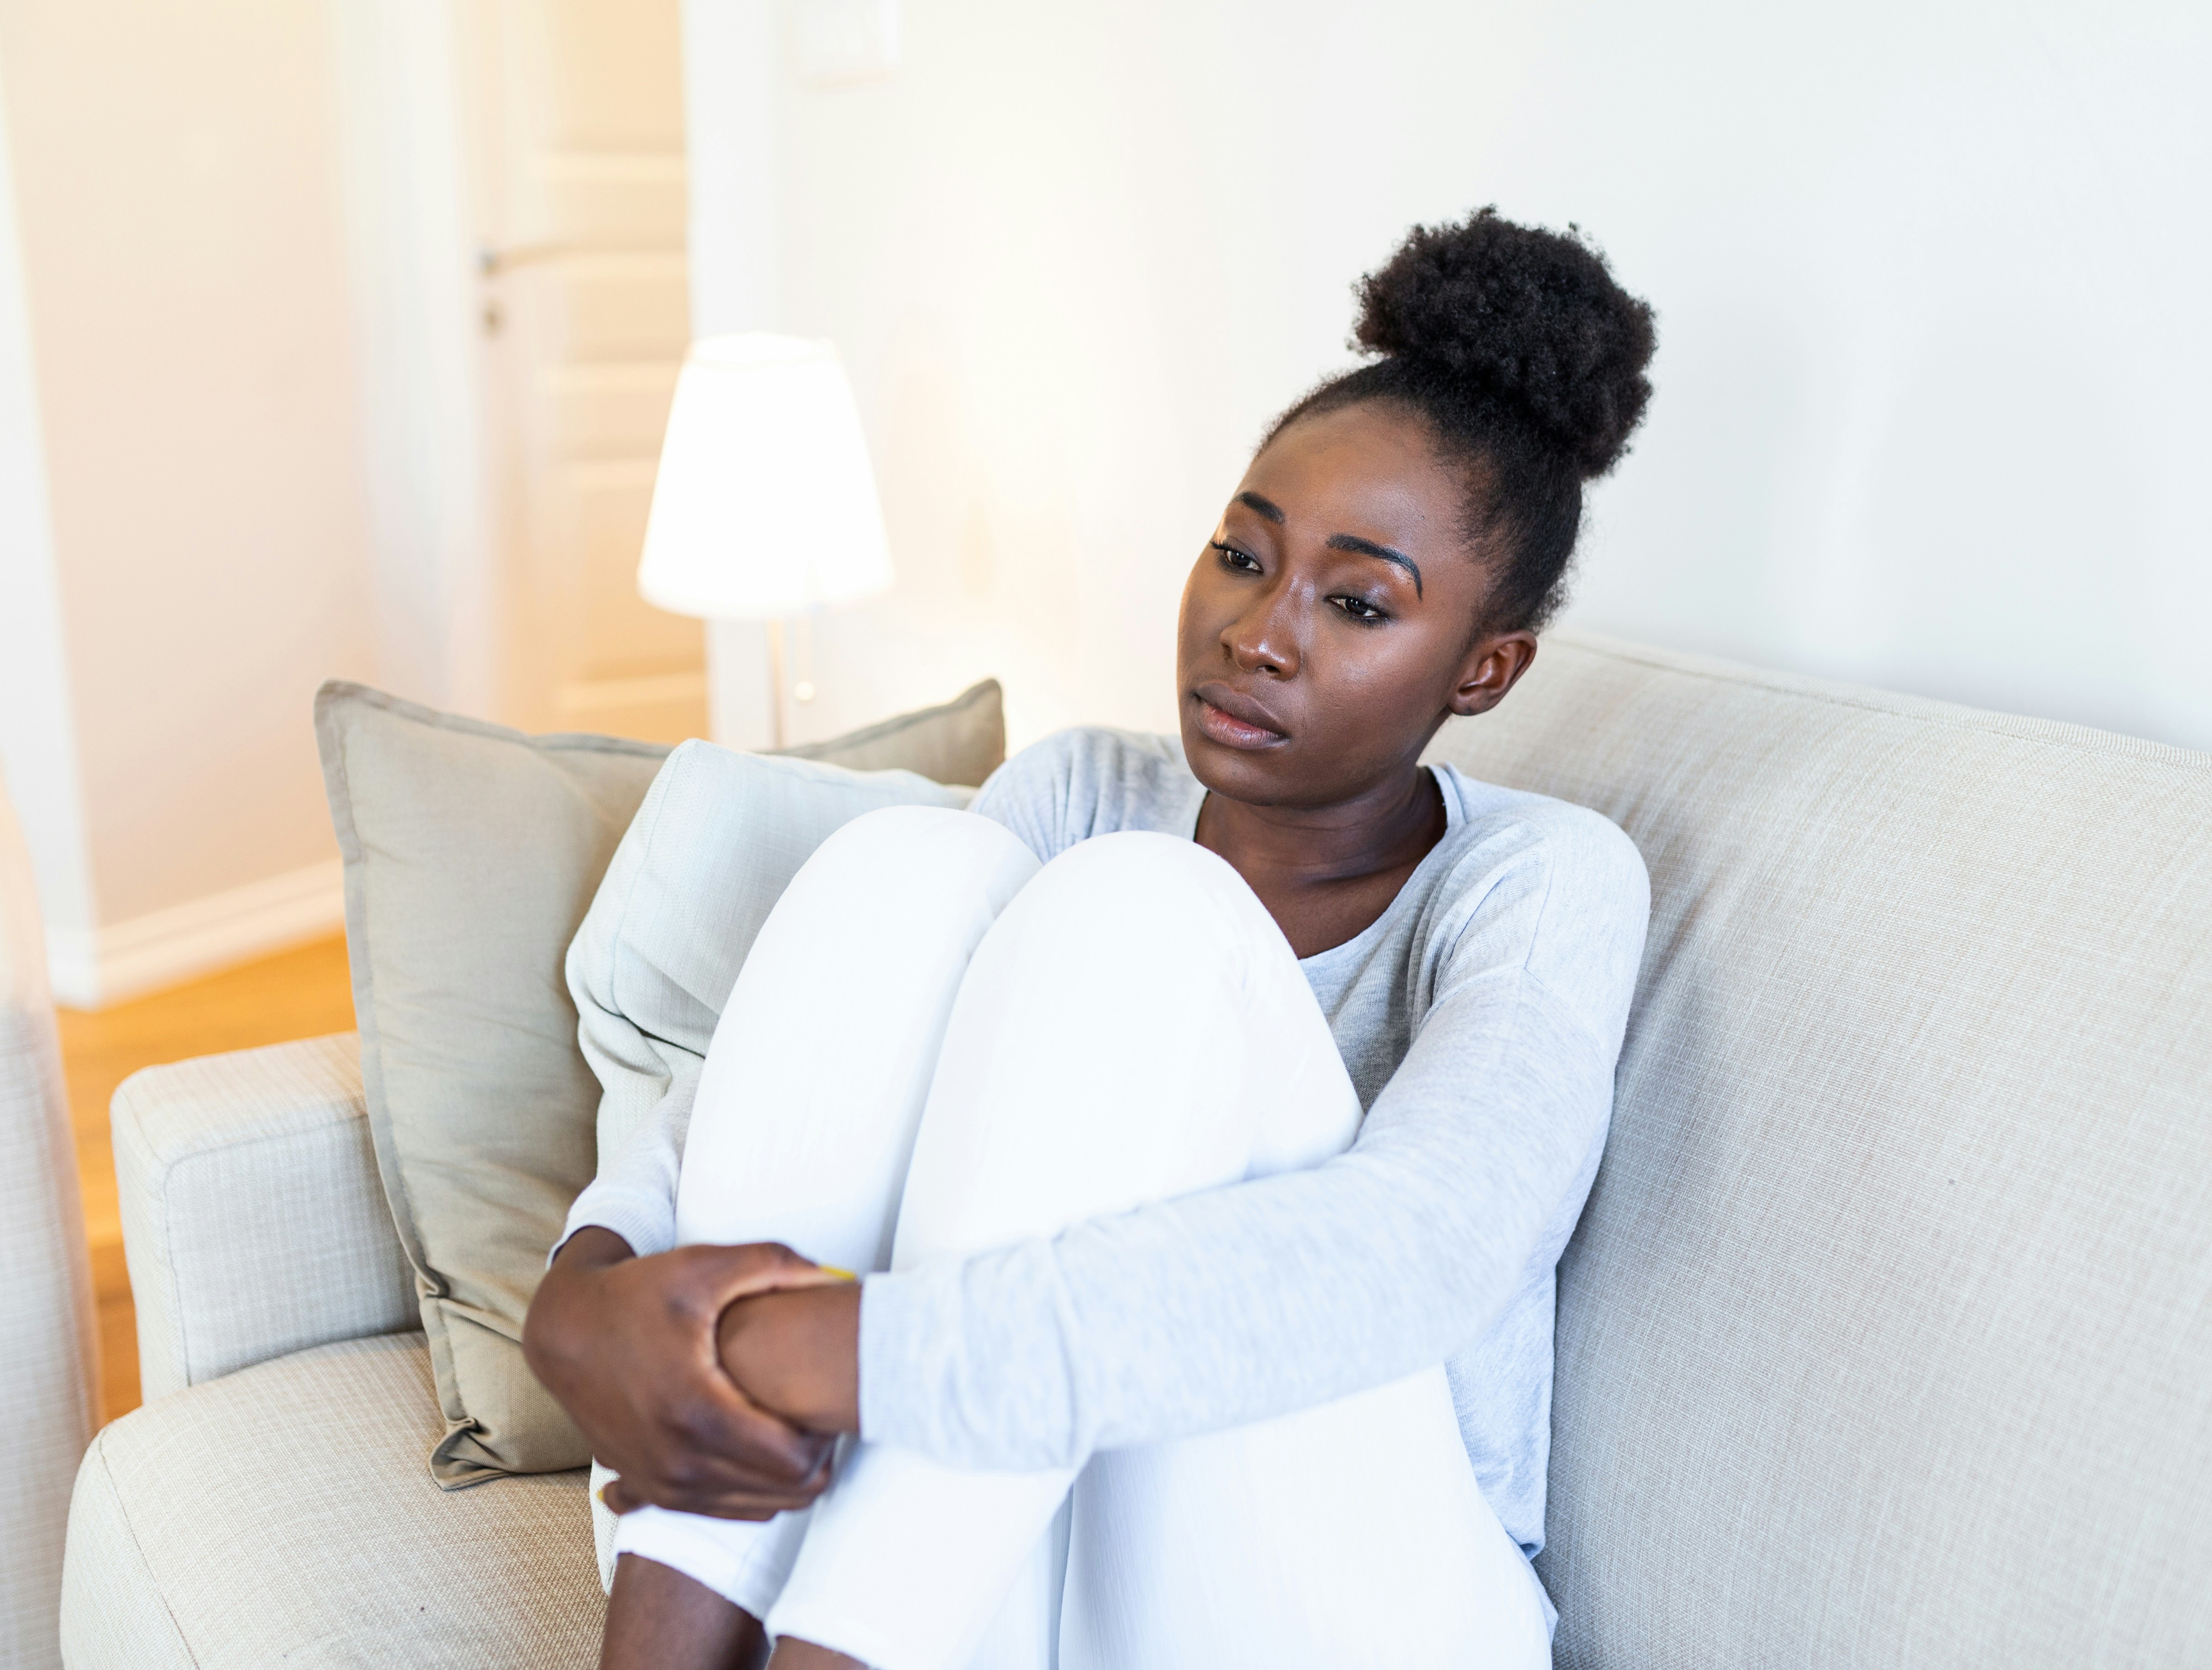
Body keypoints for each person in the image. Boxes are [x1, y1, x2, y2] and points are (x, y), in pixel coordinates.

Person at [525, 205, 1658, 1670]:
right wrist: (585, 1300)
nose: (1259, 632)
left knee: (1145, 906)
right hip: (1035, 1551)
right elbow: (803, 1089)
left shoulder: (1544, 879)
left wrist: (819, 1351)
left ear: (1484, 671)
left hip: (1359, 1597)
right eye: (1242, 555)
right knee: (906, 864)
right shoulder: (1077, 793)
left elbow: (1416, 1259)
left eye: (1357, 602)